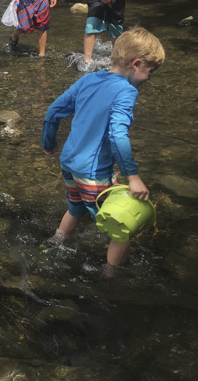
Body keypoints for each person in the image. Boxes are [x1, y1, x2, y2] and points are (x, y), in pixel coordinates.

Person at [42, 26, 165, 272]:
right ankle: (110, 277)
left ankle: (55, 243)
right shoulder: (126, 91)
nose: (148, 79)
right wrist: (134, 177)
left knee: (75, 208)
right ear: (136, 63)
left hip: (68, 162)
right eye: (149, 72)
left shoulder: (88, 79)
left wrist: (49, 142)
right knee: (121, 227)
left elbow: (54, 110)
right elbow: (118, 135)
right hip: (93, 171)